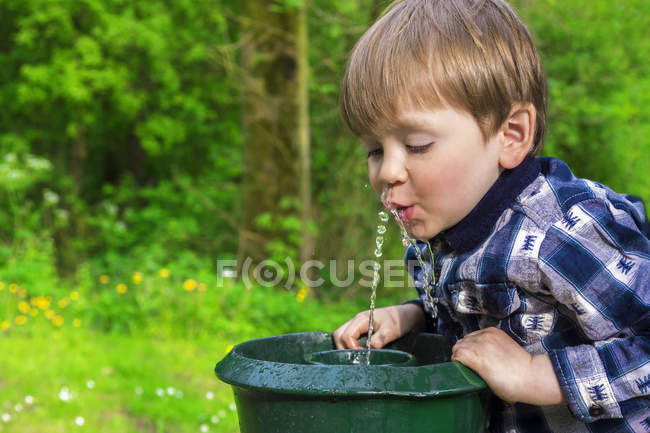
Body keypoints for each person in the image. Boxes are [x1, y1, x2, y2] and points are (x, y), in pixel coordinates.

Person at [332, 0, 650, 431]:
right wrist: (412, 317)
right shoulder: (442, 235)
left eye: (418, 144)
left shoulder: (559, 233)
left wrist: (539, 375)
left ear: (511, 135)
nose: (386, 171)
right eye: (374, 149)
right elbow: (477, 318)